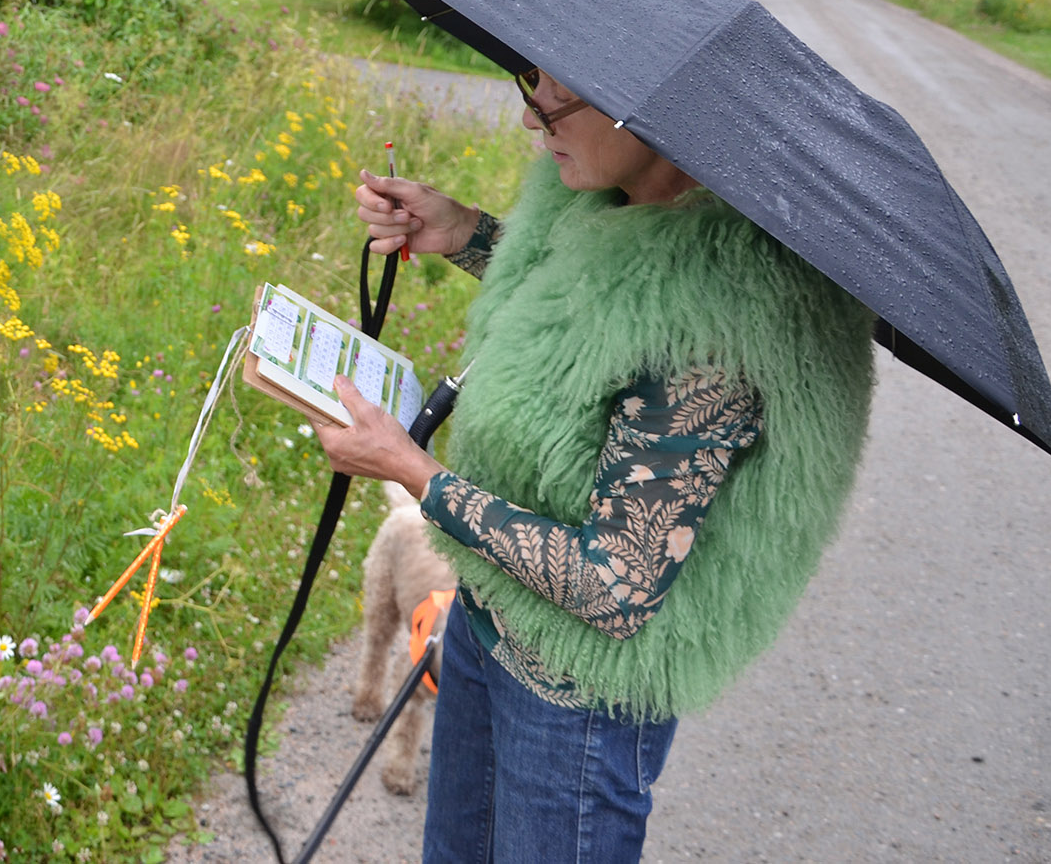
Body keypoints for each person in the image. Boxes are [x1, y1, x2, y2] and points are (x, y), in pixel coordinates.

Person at [316, 67, 875, 864]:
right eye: (528, 94)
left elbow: (615, 585)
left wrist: (416, 473)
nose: (529, 126)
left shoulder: (717, 326)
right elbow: (593, 300)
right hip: (489, 613)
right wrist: (463, 229)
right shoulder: (613, 199)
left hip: (578, 697)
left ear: (657, 110)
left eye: (555, 107)